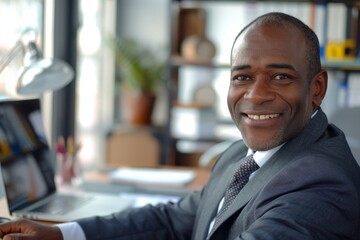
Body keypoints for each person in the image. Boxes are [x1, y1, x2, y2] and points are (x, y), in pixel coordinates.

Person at [1, 12, 360, 240]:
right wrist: (63, 234)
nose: (256, 95)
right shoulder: (242, 154)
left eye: (280, 76)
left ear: (317, 89)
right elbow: (176, 219)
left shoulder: (322, 182)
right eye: (242, 76)